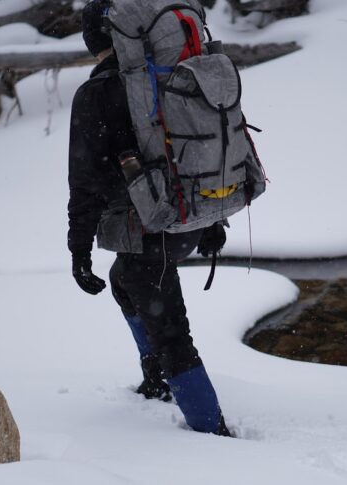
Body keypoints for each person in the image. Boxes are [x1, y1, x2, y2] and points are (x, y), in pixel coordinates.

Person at [67, 1, 231, 437]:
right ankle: (156, 380)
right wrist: (212, 221)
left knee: (171, 332)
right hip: (189, 221)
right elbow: (199, 152)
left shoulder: (97, 94)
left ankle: (213, 434)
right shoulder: (169, 77)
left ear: (93, 42)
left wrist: (78, 250)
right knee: (124, 280)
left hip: (148, 231)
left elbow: (83, 185)